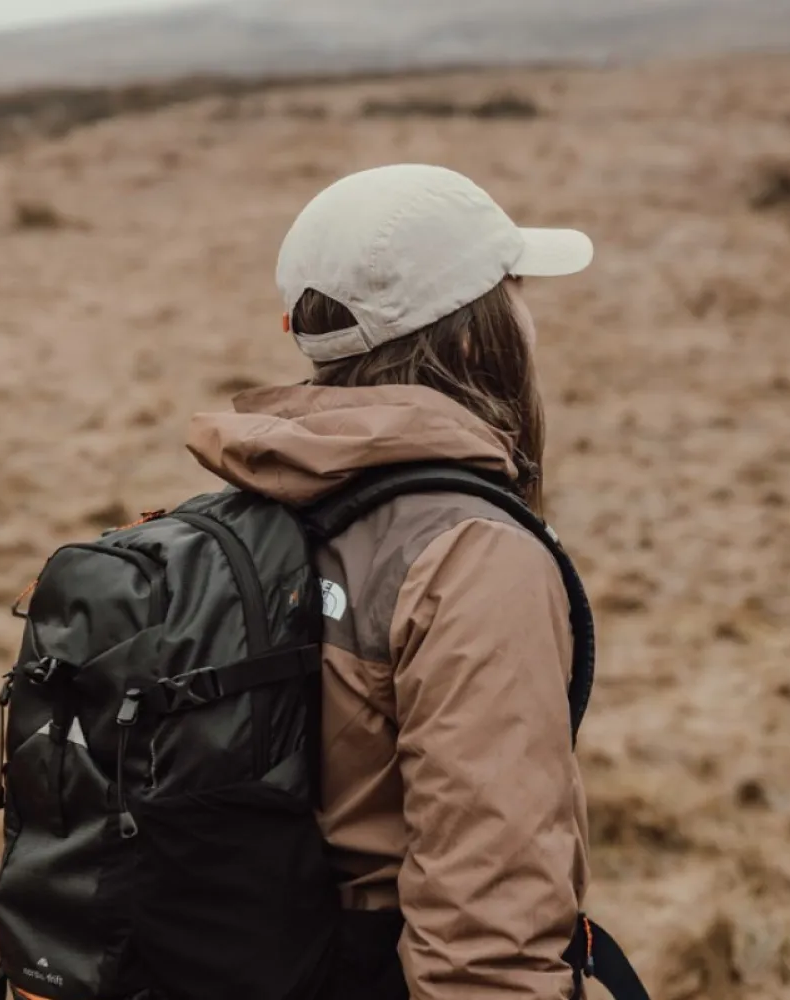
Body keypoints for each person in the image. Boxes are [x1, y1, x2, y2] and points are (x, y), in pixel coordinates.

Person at [185, 163, 597, 1000]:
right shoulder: (472, 556)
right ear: (475, 337)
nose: (530, 319)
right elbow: (487, 946)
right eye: (516, 291)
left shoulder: (255, 504)